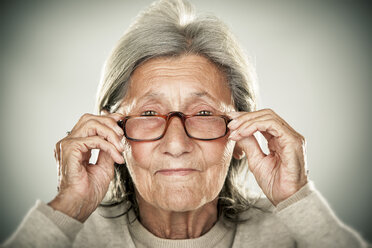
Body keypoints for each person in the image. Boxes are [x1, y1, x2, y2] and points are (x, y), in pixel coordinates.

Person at [2, 0, 370, 247]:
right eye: (148, 114)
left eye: (205, 113)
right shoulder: (70, 237)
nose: (176, 143)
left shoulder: (292, 235)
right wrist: (69, 207)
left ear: (241, 135)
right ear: (112, 132)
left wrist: (297, 199)